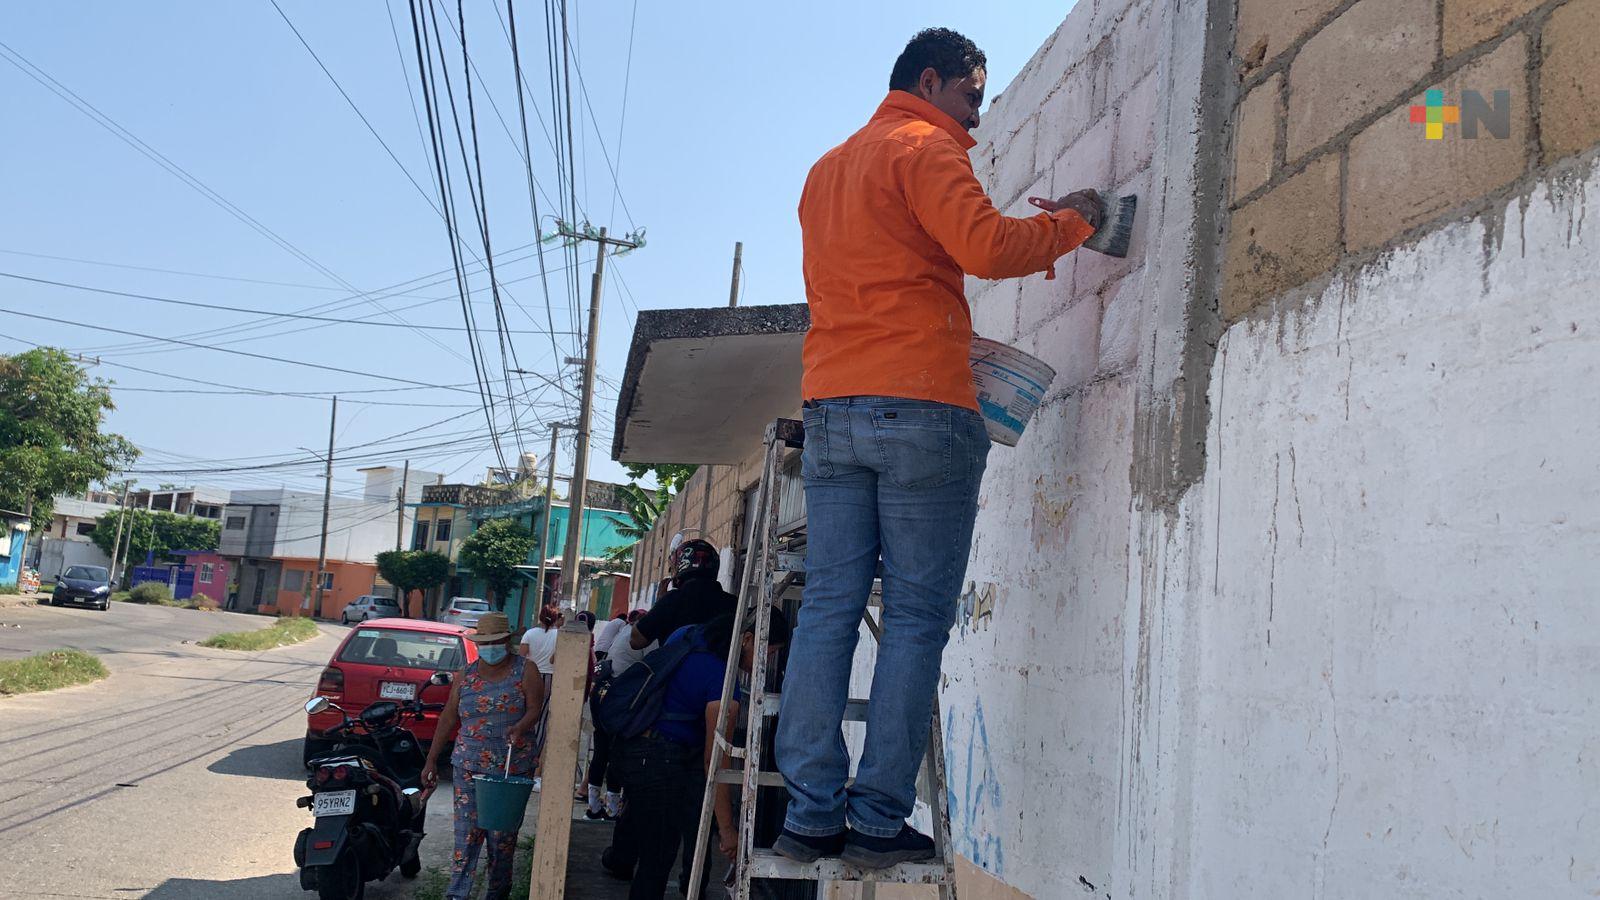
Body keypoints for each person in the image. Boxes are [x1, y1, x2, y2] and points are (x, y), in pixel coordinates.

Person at [773, 27, 1102, 869]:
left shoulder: (825, 171)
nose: (978, 121)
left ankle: (811, 816)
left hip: (833, 407)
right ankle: (878, 821)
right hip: (921, 404)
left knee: (828, 610)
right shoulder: (925, 149)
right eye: (971, 98)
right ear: (931, 80)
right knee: (915, 620)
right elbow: (988, 247)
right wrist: (1073, 224)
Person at [605, 610, 792, 900]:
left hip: (635, 749)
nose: (768, 662)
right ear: (747, 639)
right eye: (769, 651)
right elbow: (715, 763)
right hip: (660, 758)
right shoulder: (722, 683)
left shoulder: (690, 633)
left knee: (654, 852)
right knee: (657, 859)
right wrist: (728, 830)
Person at [421, 612, 545, 900]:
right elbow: (449, 717)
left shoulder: (526, 670)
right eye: (484, 643)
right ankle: (457, 894)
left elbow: (535, 709)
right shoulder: (466, 675)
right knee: (466, 836)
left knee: (501, 840)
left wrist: (520, 726)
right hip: (468, 766)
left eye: (495, 642)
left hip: (510, 769)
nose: (489, 648)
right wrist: (431, 759)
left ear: (507, 641)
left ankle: (497, 892)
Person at [625, 540, 736, 654]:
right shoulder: (733, 603)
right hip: (720, 671)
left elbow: (636, 641)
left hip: (677, 671)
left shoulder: (672, 600)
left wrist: (658, 604)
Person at [518, 605, 561, 792]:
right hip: (549, 678)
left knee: (525, 716)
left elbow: (521, 655)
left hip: (529, 676)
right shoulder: (559, 635)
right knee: (542, 722)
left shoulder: (529, 634)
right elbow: (555, 660)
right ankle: (535, 771)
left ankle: (519, 761)